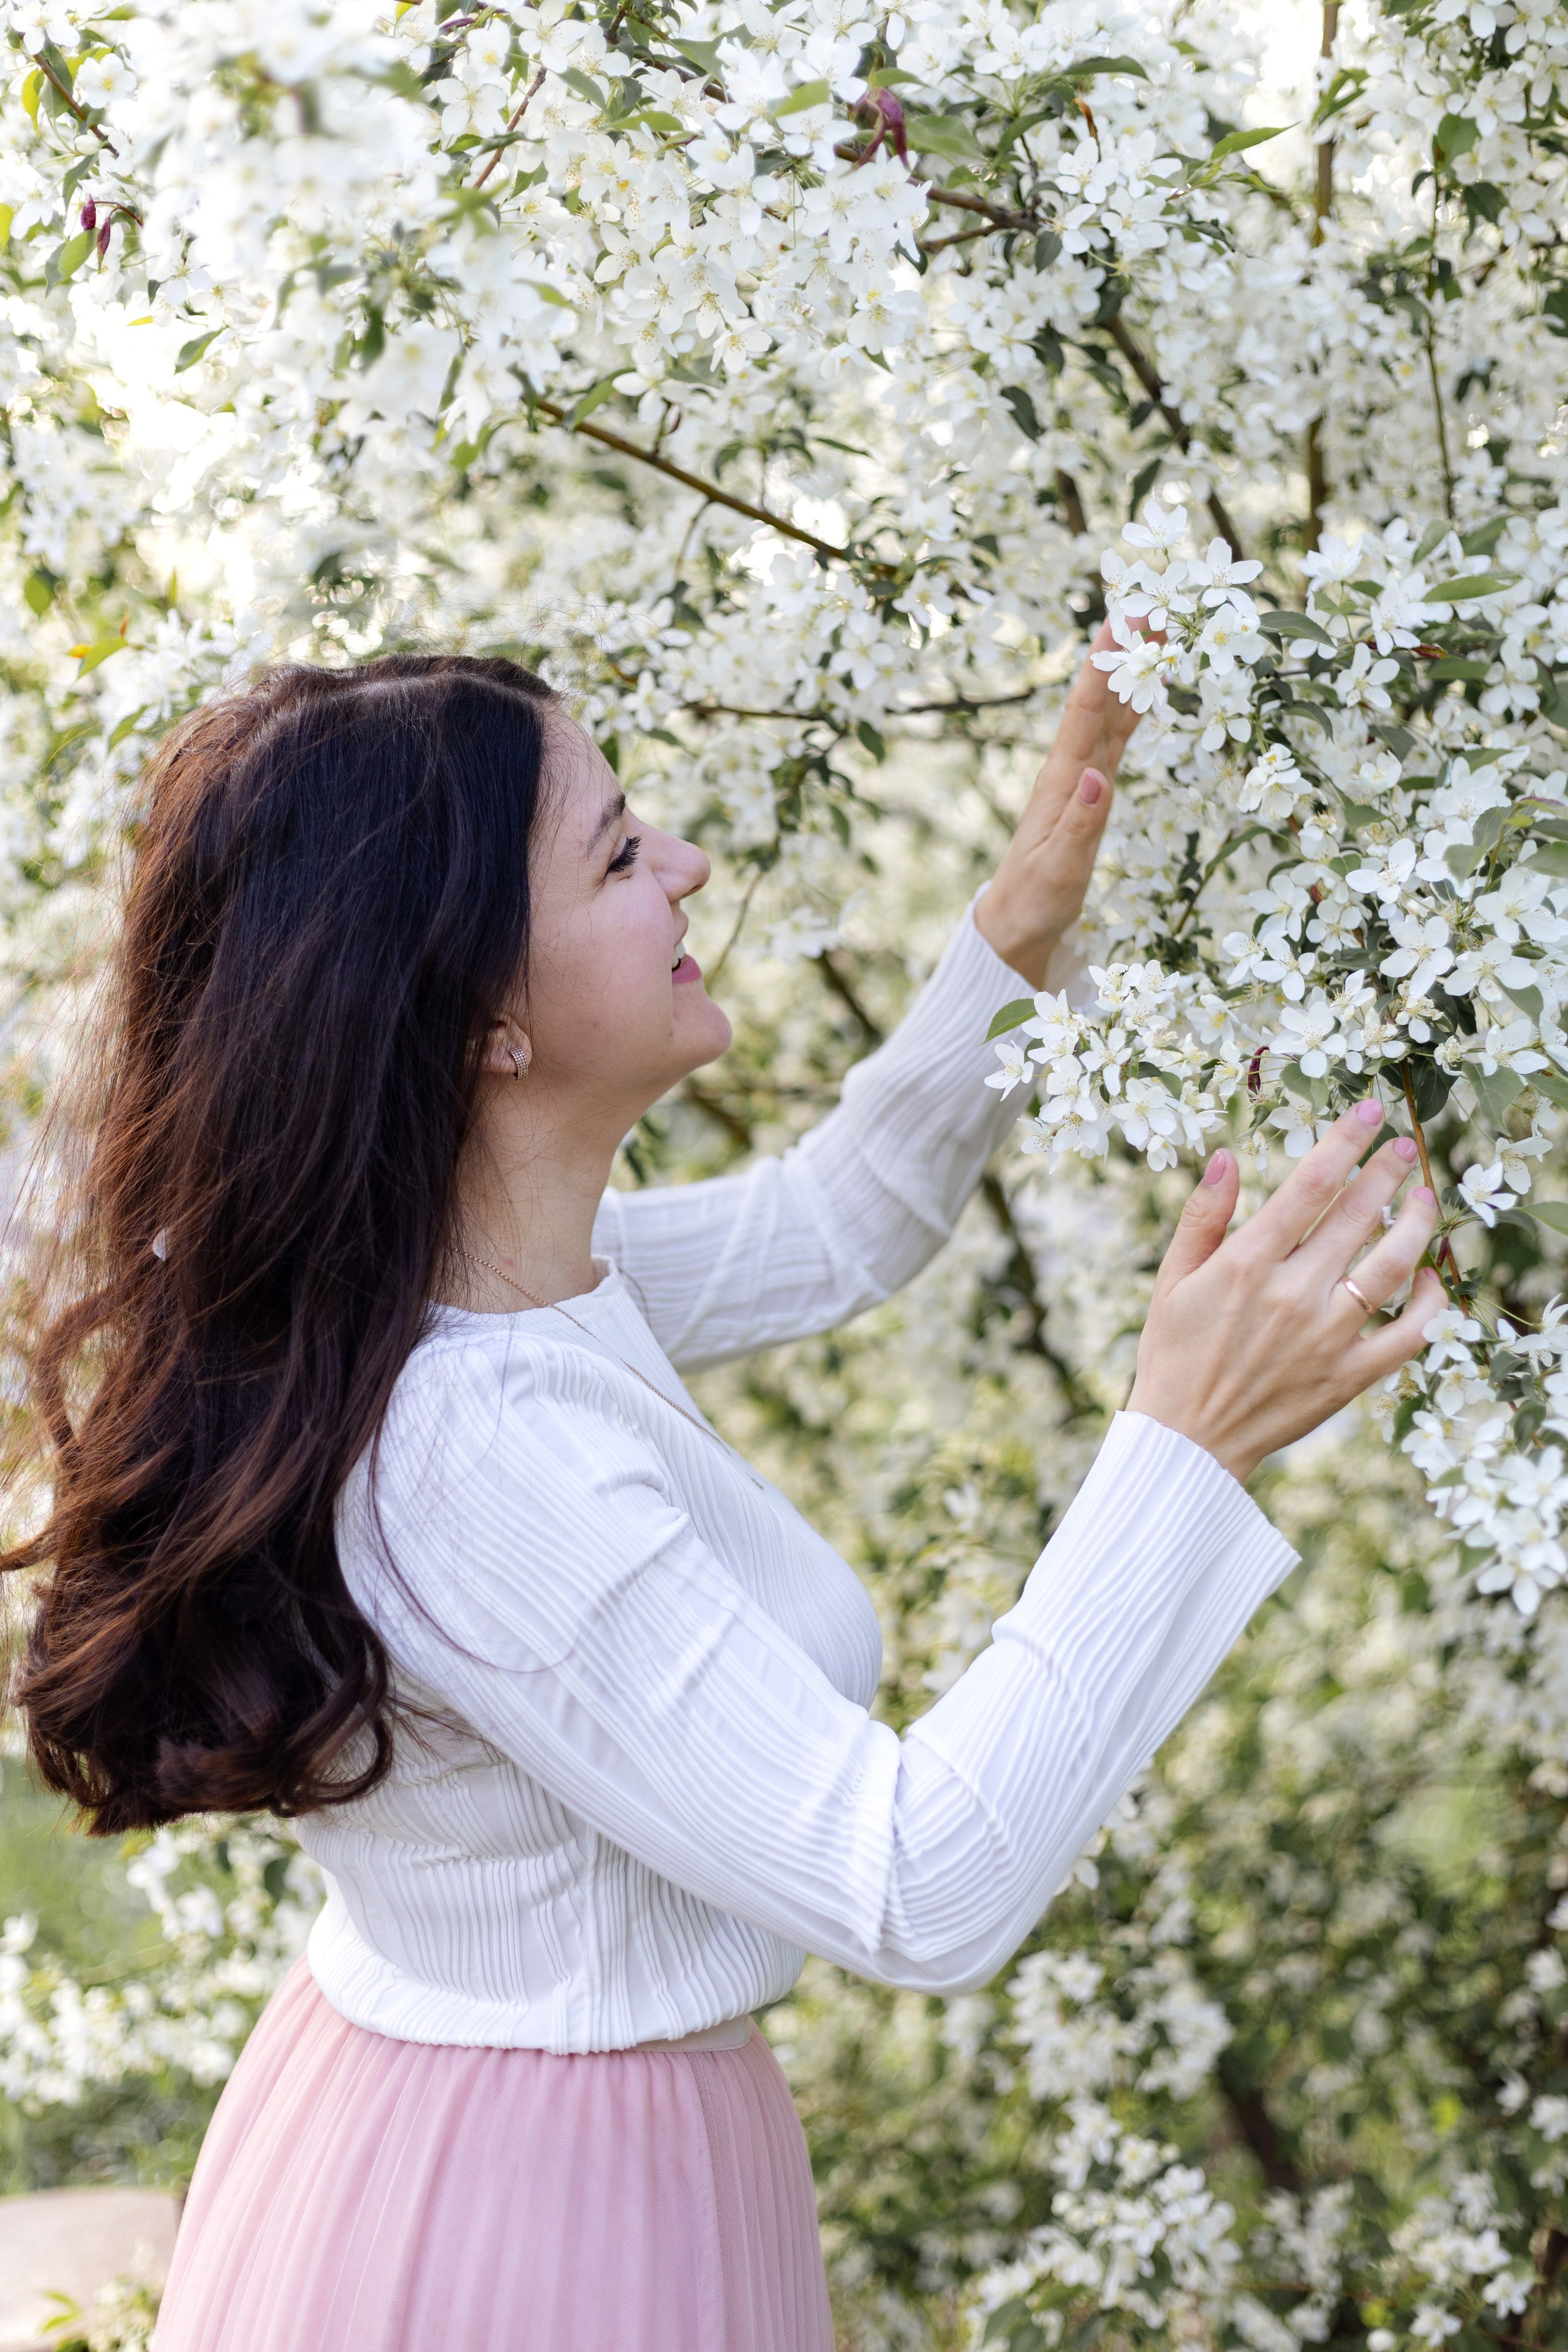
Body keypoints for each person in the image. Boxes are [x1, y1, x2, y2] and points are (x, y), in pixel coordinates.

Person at [6, 648, 1439, 2352]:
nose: (687, 863)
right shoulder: (476, 1447)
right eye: (619, 854)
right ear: (481, 1020)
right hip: (537, 2214)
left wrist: (1020, 923)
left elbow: (836, 1227)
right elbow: (916, 1881)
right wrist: (1186, 1446)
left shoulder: (447, 1283)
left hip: (522, 2124)